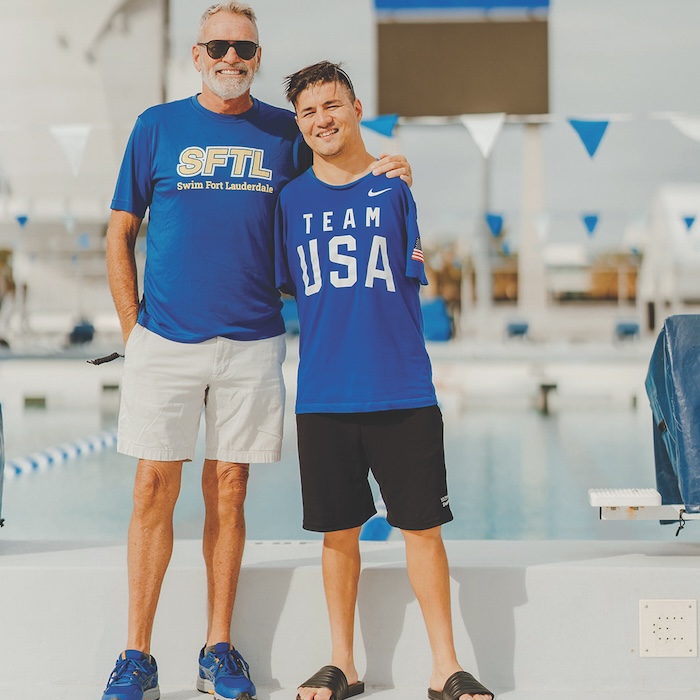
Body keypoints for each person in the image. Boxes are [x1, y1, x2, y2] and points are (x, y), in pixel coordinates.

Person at [102, 4, 411, 700]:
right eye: (219, 43)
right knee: (153, 486)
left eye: (244, 46)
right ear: (196, 52)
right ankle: (136, 654)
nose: (231, 55)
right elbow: (119, 232)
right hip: (166, 340)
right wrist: (133, 333)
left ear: (257, 55)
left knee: (231, 489)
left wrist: (393, 166)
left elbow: (341, 171)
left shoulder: (283, 129)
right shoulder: (157, 128)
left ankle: (218, 647)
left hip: (252, 340)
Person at [274, 62, 494, 700]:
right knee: (338, 533)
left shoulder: (393, 188)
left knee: (422, 529)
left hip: (402, 389)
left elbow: (409, 271)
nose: (323, 119)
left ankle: (445, 666)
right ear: (299, 123)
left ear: (355, 106)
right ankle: (342, 663)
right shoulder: (290, 202)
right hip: (323, 394)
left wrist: (392, 168)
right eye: (310, 111)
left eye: (333, 105)